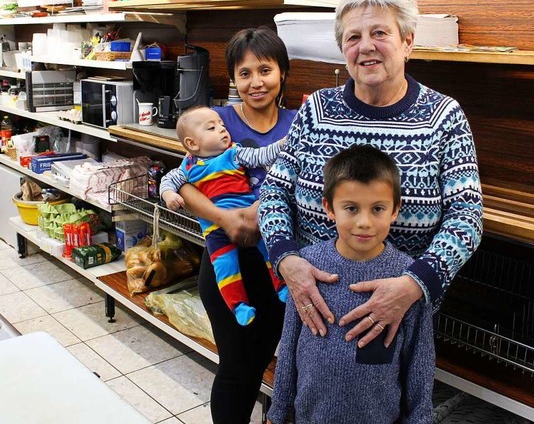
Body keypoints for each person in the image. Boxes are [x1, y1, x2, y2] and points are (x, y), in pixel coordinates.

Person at [258, 0, 483, 350]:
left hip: (401, 314)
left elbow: (467, 217)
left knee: (390, 402)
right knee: (310, 397)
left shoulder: (443, 116)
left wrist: (413, 286)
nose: (366, 47)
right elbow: (274, 192)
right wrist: (287, 263)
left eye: (380, 32)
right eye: (352, 37)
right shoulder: (316, 110)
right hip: (317, 308)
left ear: (407, 41)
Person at [175, 27, 297, 423]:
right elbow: (186, 182)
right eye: (244, 73)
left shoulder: (298, 123)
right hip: (230, 264)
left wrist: (262, 210)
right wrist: (227, 218)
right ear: (233, 79)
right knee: (236, 369)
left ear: (282, 73)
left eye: (265, 70)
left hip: (283, 263)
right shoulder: (214, 121)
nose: (256, 82)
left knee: (270, 361)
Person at [267, 145, 434, 424]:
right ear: (329, 208)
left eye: (378, 208)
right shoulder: (307, 266)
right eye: (351, 208)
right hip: (310, 417)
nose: (365, 222)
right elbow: (289, 345)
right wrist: (278, 410)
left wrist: (420, 419)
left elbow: (420, 360)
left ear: (396, 210)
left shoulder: (408, 279)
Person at [160, 106, 288, 327]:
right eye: (212, 128)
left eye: (221, 125)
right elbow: (168, 181)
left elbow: (262, 155)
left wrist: (282, 144)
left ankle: (282, 285)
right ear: (192, 144)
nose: (222, 130)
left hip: (252, 222)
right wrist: (169, 195)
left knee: (271, 249)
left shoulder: (234, 152)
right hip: (215, 231)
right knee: (225, 267)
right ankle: (238, 305)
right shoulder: (187, 166)